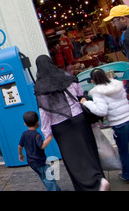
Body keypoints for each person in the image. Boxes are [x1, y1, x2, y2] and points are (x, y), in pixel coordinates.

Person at [34, 55, 109, 191]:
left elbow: (44, 112)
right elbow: (80, 94)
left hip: (61, 128)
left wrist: (46, 133)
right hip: (80, 120)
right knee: (89, 151)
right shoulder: (67, 77)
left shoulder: (41, 87)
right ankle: (99, 179)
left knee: (73, 160)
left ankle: (89, 187)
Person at [80, 68, 129, 182]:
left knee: (123, 151)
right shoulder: (118, 84)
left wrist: (86, 102)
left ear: (92, 80)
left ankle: (127, 175)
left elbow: (101, 111)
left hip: (119, 124)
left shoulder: (97, 92)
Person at [18, 111, 61, 191]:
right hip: (40, 162)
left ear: (25, 124)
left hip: (31, 162)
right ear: (38, 123)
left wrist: (20, 154)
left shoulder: (24, 134)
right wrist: (49, 137)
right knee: (49, 179)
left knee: (44, 177)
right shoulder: (37, 135)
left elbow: (20, 146)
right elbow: (42, 146)